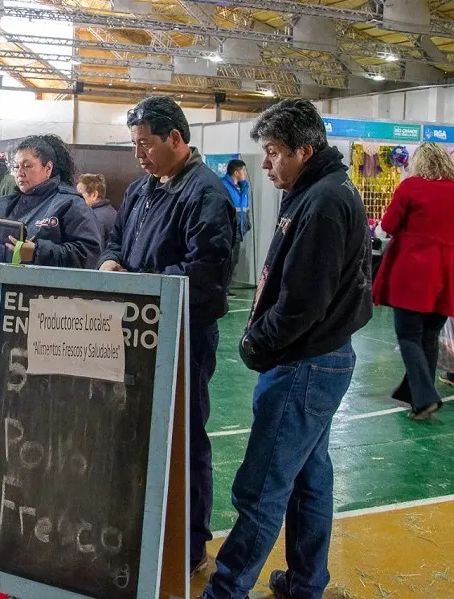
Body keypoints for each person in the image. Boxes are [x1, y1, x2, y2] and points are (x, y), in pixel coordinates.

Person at [200, 99, 372, 599]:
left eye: (275, 153)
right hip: (320, 359)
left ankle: (226, 591)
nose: (268, 164)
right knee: (309, 481)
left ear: (305, 149)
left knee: (261, 490)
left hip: (304, 363)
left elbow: (302, 302)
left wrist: (258, 342)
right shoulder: (317, 191)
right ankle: (305, 584)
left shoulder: (322, 202)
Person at [97, 96, 235, 577]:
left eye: (146, 144)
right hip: (136, 330)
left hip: (184, 337)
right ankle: (145, 528)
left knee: (185, 436)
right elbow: (116, 240)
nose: (139, 153)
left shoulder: (207, 196)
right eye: (134, 144)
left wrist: (142, 286)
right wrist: (111, 262)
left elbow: (207, 274)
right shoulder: (141, 189)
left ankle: (191, 542)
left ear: (176, 139)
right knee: (137, 433)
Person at [372, 142, 454, 420]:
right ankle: (420, 396)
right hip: (447, 274)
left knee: (408, 335)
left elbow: (389, 224)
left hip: (414, 271)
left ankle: (425, 397)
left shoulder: (412, 187)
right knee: (429, 335)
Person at [0, 134, 101, 271]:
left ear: (48, 168)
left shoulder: (70, 204)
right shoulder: (3, 205)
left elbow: (88, 254)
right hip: (6, 292)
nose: (19, 172)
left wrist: (37, 253)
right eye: (16, 166)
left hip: (48, 297)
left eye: (27, 166)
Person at [221, 159, 251, 285]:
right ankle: (223, 288)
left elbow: (244, 209)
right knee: (227, 259)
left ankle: (228, 287)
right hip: (228, 230)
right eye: (243, 170)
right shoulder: (223, 185)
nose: (245, 173)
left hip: (239, 229)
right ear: (236, 172)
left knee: (234, 260)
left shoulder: (243, 188)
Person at [77, 173, 117, 248]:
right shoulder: (112, 211)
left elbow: (94, 252)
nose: (76, 199)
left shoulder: (93, 218)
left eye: (80, 195)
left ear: (94, 195)